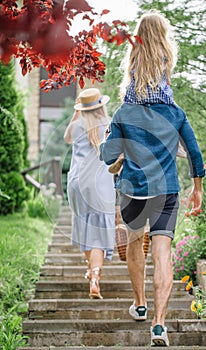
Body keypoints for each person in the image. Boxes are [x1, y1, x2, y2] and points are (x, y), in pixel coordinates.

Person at [100, 10, 205, 347]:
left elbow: (106, 155)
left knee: (135, 246)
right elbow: (195, 154)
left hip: (132, 190)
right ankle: (159, 325)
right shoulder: (175, 113)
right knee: (162, 253)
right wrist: (198, 188)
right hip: (167, 192)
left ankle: (140, 304)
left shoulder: (123, 112)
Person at [64, 88, 116, 300]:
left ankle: (90, 269)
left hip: (76, 183)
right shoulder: (109, 124)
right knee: (98, 233)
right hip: (99, 184)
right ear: (101, 105)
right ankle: (95, 276)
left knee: (85, 227)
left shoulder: (77, 126)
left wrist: (77, 113)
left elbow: (67, 138)